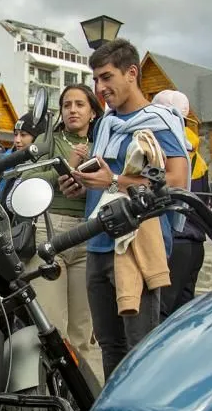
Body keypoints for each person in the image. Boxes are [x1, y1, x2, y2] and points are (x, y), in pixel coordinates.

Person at [62, 39, 190, 378]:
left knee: (142, 348)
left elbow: (176, 181)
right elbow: (103, 180)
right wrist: (79, 184)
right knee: (109, 346)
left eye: (106, 77)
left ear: (132, 73)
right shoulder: (105, 123)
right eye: (96, 80)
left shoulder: (159, 120)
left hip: (137, 246)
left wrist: (115, 180)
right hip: (98, 243)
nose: (100, 88)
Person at [17, 85, 102, 375]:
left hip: (89, 232)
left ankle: (85, 399)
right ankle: (51, 395)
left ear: (93, 111)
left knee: (83, 331)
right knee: (51, 325)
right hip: (50, 229)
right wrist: (67, 166)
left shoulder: (103, 139)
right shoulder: (48, 139)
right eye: (67, 105)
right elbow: (27, 177)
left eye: (80, 104)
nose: (73, 110)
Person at [150, 90, 211, 317]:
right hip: (196, 244)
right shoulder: (197, 154)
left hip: (173, 241)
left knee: (160, 314)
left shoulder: (164, 148)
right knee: (185, 316)